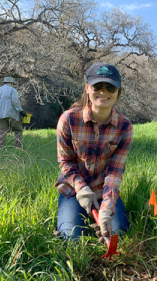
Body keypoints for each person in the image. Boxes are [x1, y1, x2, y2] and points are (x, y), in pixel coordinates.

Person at [55, 62, 134, 242]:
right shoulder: (68, 119)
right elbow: (65, 161)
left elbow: (115, 172)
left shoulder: (125, 127)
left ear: (118, 91)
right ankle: (73, 218)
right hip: (73, 190)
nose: (103, 91)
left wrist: (107, 208)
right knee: (72, 239)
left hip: (103, 190)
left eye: (110, 87)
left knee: (119, 234)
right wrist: (81, 188)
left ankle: (99, 218)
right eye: (97, 85)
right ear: (87, 88)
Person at [0, 76, 26, 149]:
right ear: (11, 83)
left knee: (2, 132)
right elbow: (14, 102)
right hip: (10, 113)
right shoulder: (12, 90)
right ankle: (18, 147)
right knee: (18, 130)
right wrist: (21, 111)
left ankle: (1, 148)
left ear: (4, 82)